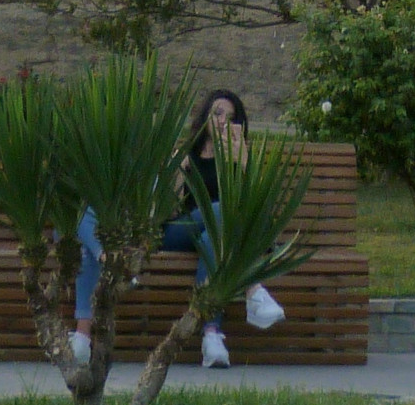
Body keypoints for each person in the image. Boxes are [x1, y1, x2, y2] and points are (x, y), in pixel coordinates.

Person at [71, 86, 287, 371]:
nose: (223, 120)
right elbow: (164, 210)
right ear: (205, 117)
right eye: (218, 112)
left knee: (215, 232)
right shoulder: (186, 155)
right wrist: (178, 170)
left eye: (231, 117)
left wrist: (242, 161)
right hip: (179, 231)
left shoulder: (242, 157)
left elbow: (255, 207)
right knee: (218, 211)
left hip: (217, 239)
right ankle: (252, 289)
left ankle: (212, 339)